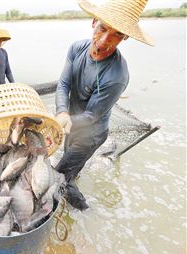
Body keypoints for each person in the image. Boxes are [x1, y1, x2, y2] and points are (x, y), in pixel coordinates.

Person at [54, 0, 154, 210]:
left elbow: (91, 117)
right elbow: (63, 84)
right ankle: (72, 182)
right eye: (102, 28)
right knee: (70, 168)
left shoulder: (116, 75)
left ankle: (84, 212)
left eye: (117, 34)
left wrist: (63, 122)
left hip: (91, 133)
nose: (105, 40)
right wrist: (62, 113)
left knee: (59, 177)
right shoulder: (77, 48)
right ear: (94, 22)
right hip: (71, 124)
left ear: (125, 37)